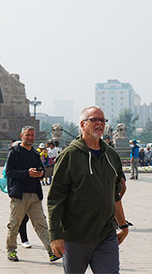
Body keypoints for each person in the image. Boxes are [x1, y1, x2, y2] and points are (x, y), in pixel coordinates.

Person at [48, 106, 128, 274]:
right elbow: (56, 198)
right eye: (94, 120)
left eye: (102, 120)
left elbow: (114, 196)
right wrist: (55, 236)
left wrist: (123, 225)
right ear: (82, 124)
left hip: (106, 235)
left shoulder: (111, 156)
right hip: (75, 236)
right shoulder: (70, 156)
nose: (99, 123)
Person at [5, 126, 58, 262]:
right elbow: (9, 172)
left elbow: (40, 168)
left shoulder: (35, 153)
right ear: (22, 136)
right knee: (15, 224)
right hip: (19, 194)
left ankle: (51, 251)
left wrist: (41, 173)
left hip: (34, 194)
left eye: (32, 135)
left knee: (41, 224)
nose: (30, 138)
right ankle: (11, 250)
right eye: (27, 135)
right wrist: (26, 173)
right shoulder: (15, 152)